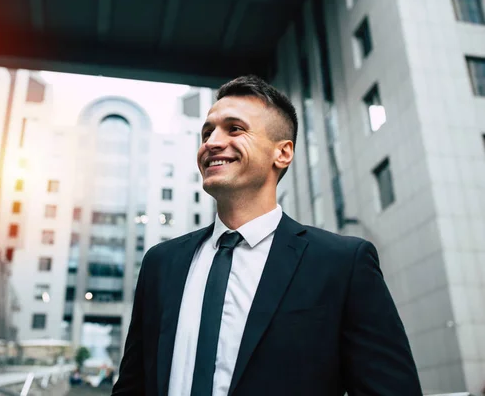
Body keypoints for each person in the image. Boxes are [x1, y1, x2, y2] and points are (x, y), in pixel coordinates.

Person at [112, 75, 422, 395]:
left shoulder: (342, 264)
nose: (211, 142)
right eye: (207, 132)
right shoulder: (161, 264)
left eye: (234, 129)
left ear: (283, 153)